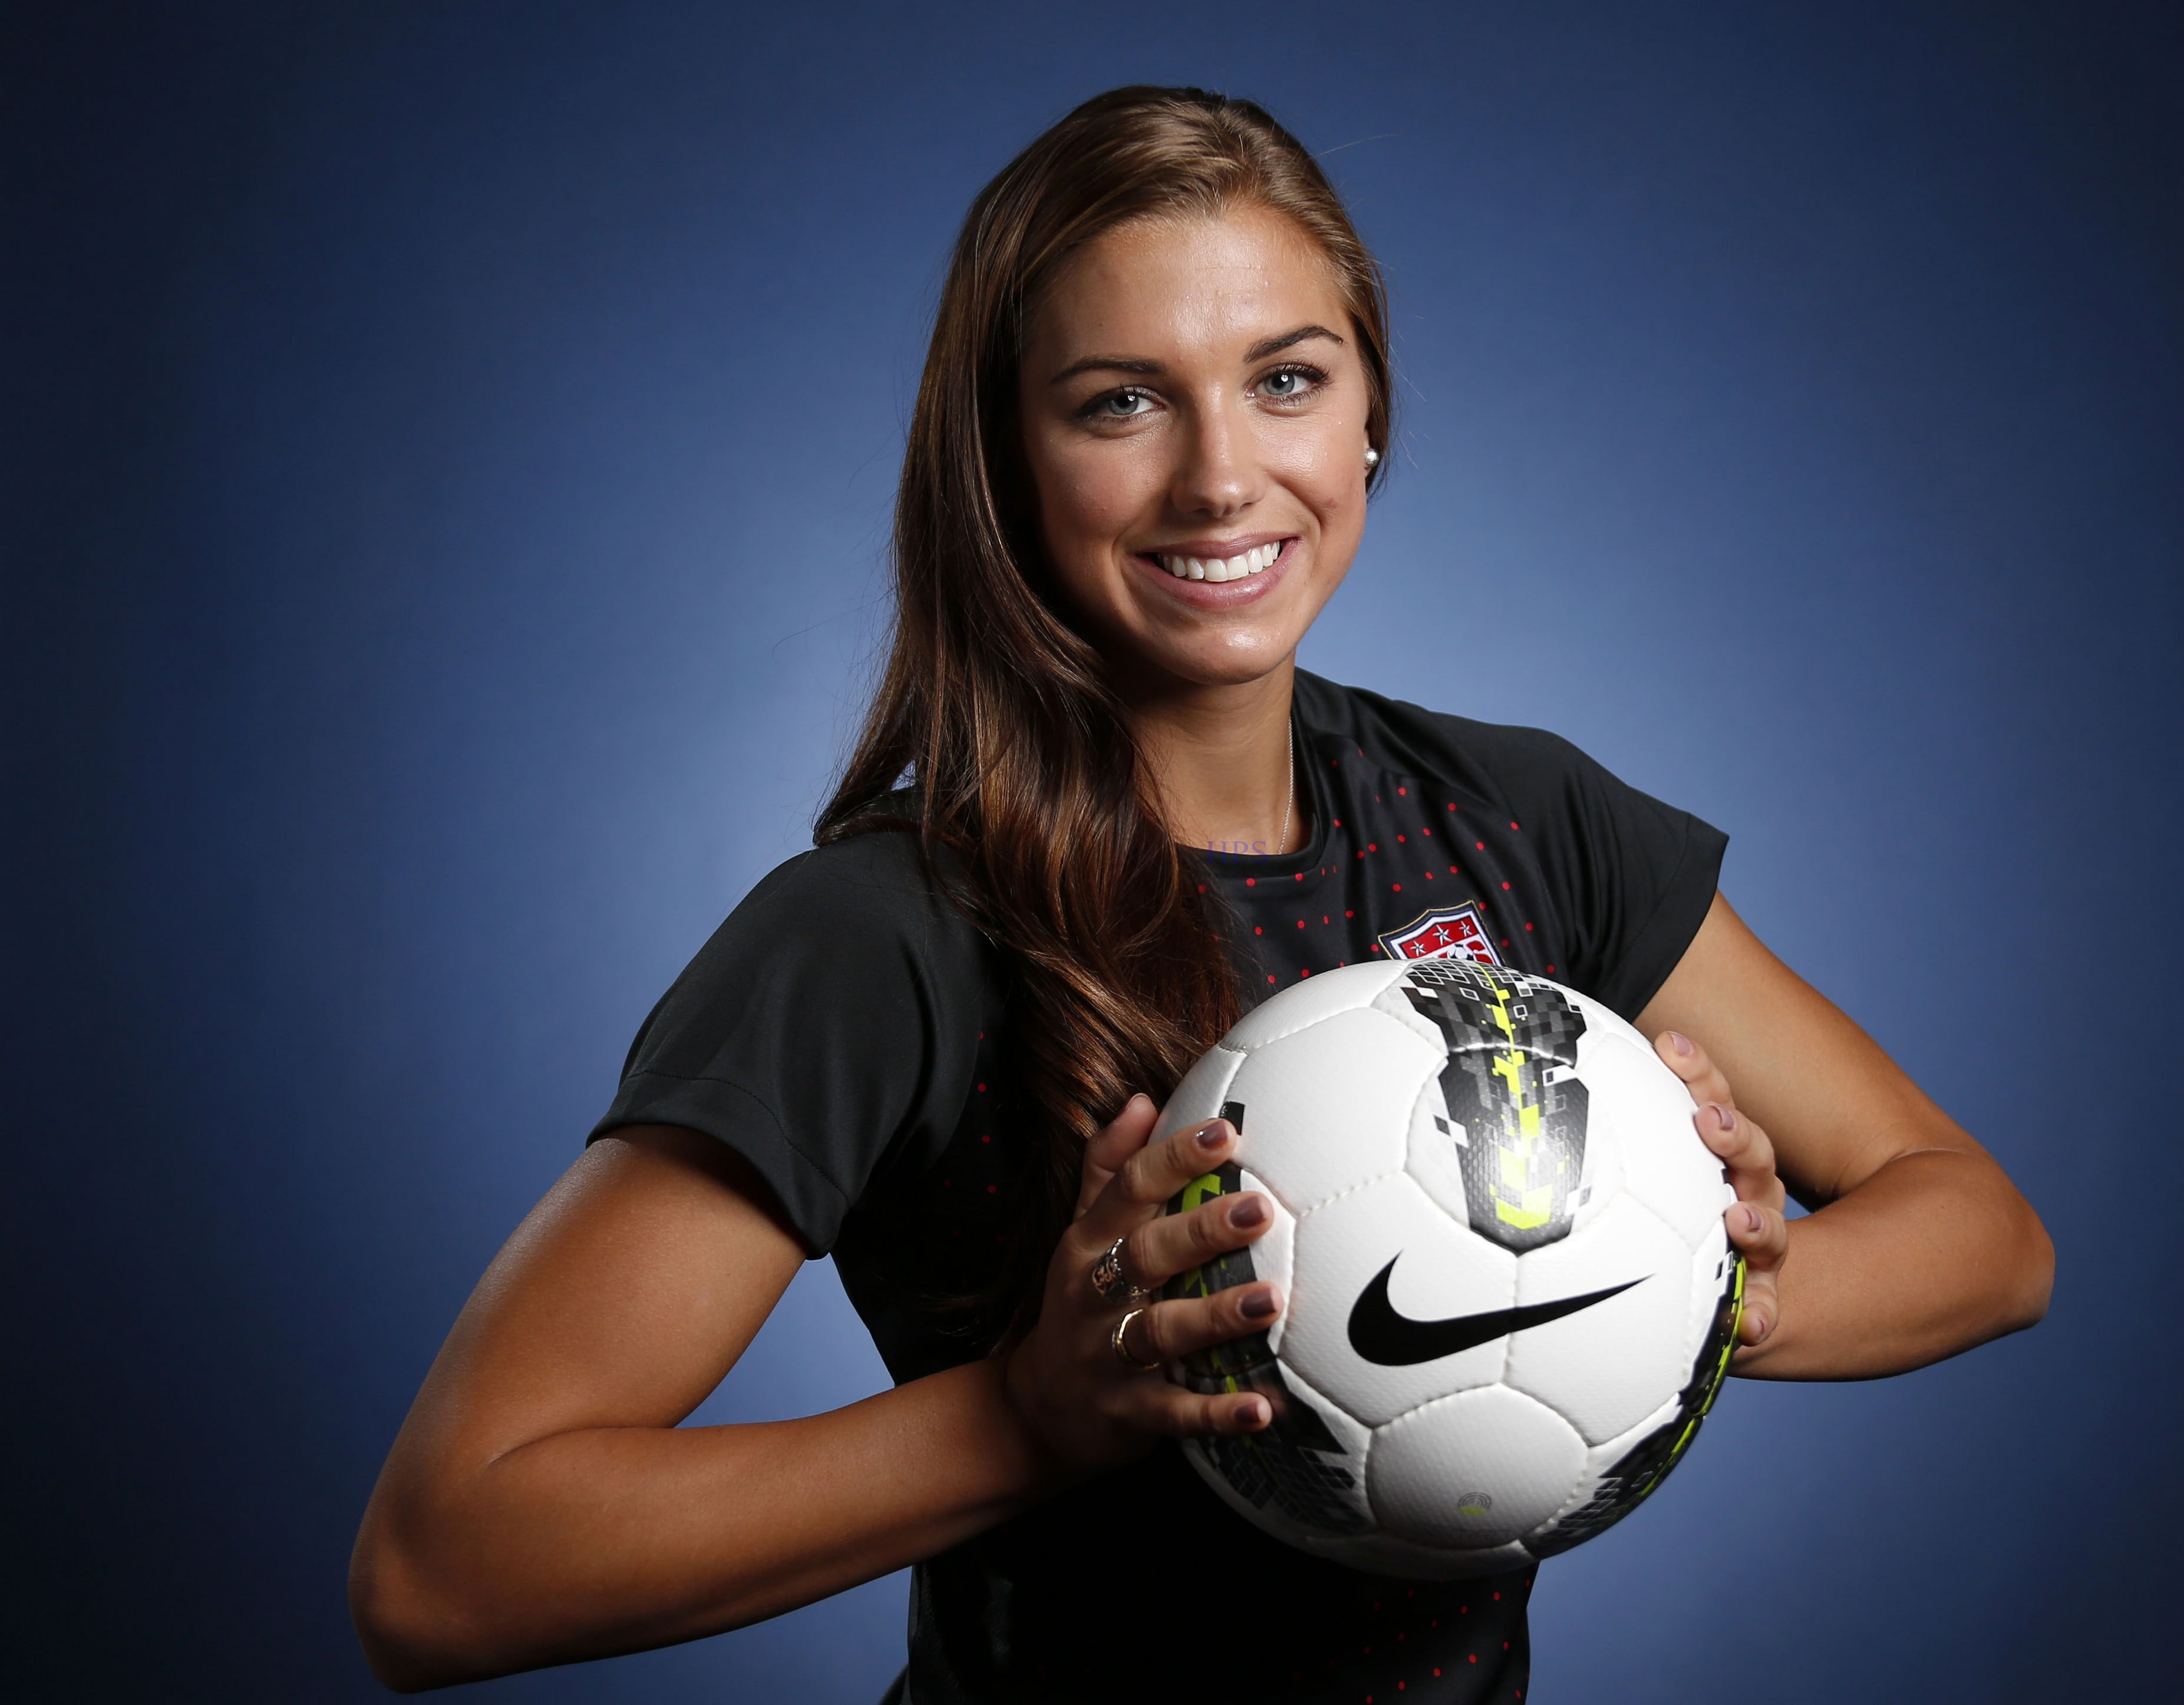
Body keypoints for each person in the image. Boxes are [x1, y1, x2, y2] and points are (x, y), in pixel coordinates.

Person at [348, 86, 2053, 1702]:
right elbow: (445, 1567)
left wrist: (1715, 1283)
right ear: (1007, 463)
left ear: (1374, 412)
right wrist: (1025, 1417)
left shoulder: (1521, 822)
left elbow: (1984, 1233)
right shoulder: (891, 935)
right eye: (1121, 401)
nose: (1221, 478)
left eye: (1288, 379)